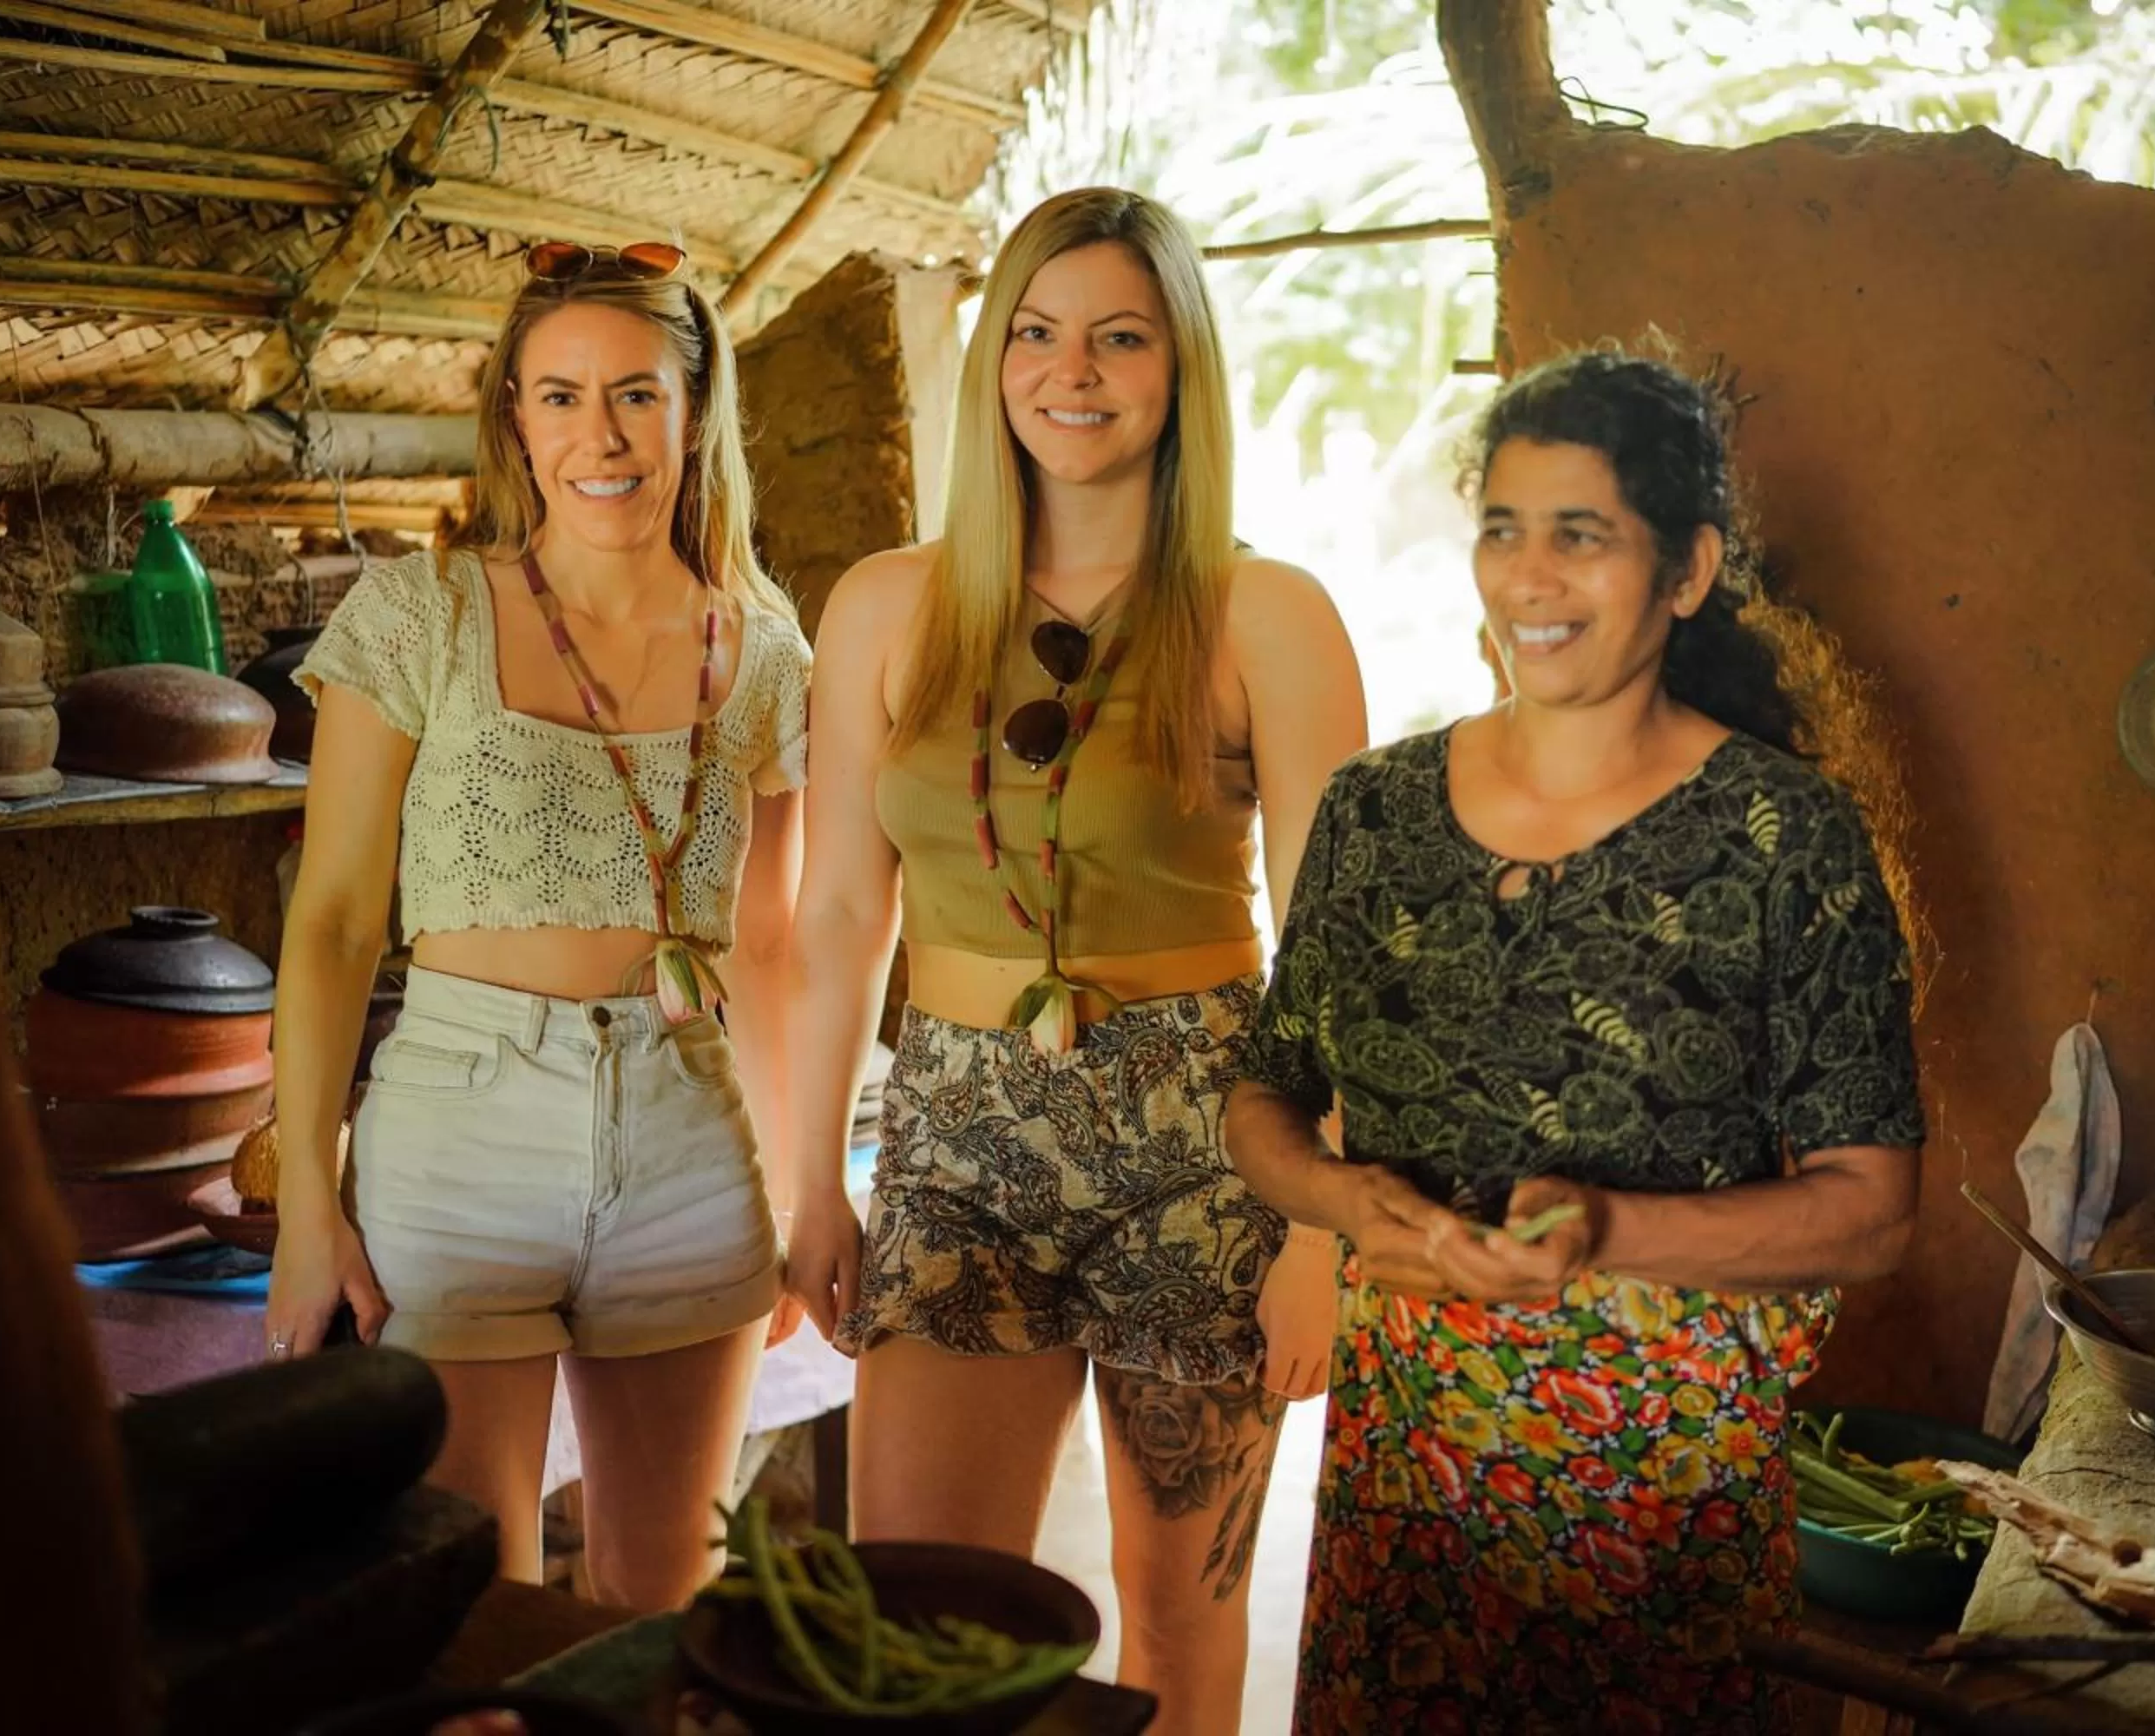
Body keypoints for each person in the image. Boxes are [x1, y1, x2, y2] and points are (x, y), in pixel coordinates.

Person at [1225, 347, 1927, 1734]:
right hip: (1405, 1480)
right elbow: (1264, 1100)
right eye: (1504, 528)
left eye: (1580, 536)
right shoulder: (1377, 815)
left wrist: (1603, 1233)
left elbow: (1870, 1214)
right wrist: (1349, 1201)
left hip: (1658, 1493)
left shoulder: (1785, 837)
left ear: (1687, 569)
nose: (1529, 578)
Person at [772, 187, 1364, 1733]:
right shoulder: (887, 605)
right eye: (1034, 333)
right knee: (917, 1619)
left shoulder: (1268, 616)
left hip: (1210, 1145)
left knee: (1178, 1633)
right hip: (955, 1135)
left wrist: (1324, 1234)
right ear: (994, 364)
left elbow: (1343, 960)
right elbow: (839, 911)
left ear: (1181, 370)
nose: (1071, 370)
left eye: (1118, 336)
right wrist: (812, 1179)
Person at [265, 239, 811, 1610]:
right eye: (558, 396)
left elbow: (777, 948)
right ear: (515, 417)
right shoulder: (419, 617)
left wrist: (810, 1193)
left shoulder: (767, 651)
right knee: (467, 1597)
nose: (599, 435)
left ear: (695, 414)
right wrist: (306, 1210)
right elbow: (332, 925)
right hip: (459, 1124)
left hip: (690, 1134)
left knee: (663, 1592)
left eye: (635, 394)